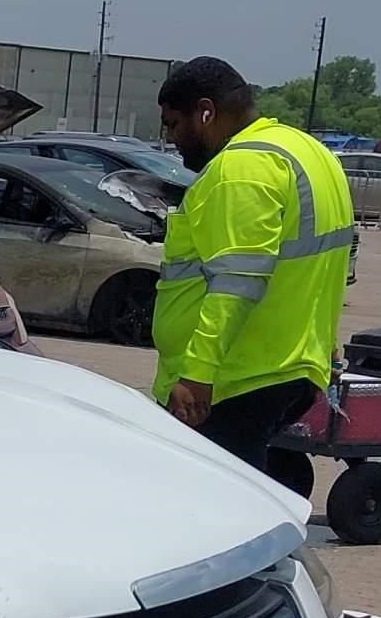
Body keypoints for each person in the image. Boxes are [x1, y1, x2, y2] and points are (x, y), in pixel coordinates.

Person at [153, 57, 356, 479]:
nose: (171, 138)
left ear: (205, 112)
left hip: (236, 379)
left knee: (213, 511)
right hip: (293, 367)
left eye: (173, 124)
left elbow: (235, 281)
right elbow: (328, 267)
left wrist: (197, 374)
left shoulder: (239, 170)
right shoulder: (310, 152)